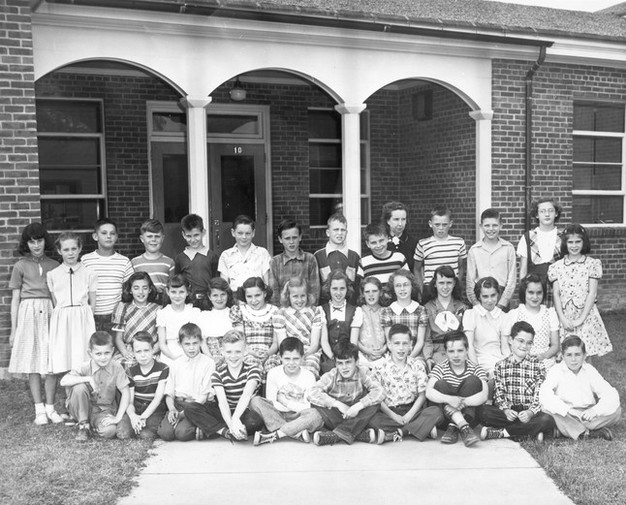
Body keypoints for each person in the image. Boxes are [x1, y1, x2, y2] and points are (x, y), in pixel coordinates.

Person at [8, 223, 60, 425]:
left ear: (45, 241)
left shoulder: (55, 265)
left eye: (39, 241)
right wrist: (14, 330)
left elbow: (58, 296)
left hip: (49, 311)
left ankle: (50, 407)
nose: (36, 245)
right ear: (26, 244)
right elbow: (15, 300)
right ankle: (39, 409)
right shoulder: (20, 266)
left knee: (52, 362)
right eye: (32, 242)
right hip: (28, 312)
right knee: (33, 362)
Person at [478, 321, 555, 441]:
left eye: (529, 343)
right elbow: (499, 393)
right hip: (509, 414)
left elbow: (539, 395)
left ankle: (502, 433)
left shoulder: (538, 366)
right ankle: (528, 432)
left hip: (529, 412)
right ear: (510, 340)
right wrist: (506, 410)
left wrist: (530, 412)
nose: (524, 346)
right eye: (520, 341)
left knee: (547, 420)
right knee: (483, 412)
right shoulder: (500, 365)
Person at [369, 324, 444, 444]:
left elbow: (422, 395)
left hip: (412, 410)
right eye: (397, 343)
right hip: (389, 412)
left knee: (436, 412)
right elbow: (377, 398)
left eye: (405, 343)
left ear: (410, 345)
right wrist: (394, 416)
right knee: (371, 418)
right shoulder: (379, 367)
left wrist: (409, 415)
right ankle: (421, 428)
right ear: (389, 345)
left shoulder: (417, 365)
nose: (401, 348)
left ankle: (399, 432)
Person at [185, 330, 264, 441]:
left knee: (255, 421)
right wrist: (232, 425)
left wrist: (235, 418)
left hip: (243, 412)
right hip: (224, 412)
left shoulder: (253, 370)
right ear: (222, 352)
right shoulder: (218, 374)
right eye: (229, 352)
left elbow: (246, 395)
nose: (233, 356)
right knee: (191, 408)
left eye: (238, 352)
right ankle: (226, 432)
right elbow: (222, 402)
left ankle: (213, 429)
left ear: (245, 351)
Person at [539, 335, 621, 441]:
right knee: (547, 408)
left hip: (586, 414)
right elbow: (545, 394)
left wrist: (594, 411)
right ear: (562, 356)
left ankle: (566, 430)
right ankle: (586, 433)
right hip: (566, 413)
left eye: (577, 355)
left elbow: (610, 394)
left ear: (584, 355)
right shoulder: (556, 370)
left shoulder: (590, 370)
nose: (573, 359)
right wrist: (569, 410)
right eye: (569, 355)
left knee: (616, 411)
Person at [548, 224, 612, 357]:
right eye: (570, 242)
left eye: (578, 241)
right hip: (565, 316)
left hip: (586, 315)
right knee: (566, 354)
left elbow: (592, 293)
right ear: (565, 243)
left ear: (584, 242)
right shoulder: (556, 267)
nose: (574, 245)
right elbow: (556, 294)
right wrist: (562, 318)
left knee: (585, 354)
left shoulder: (591, 264)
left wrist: (581, 319)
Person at [308, 340, 385, 446]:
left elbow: (380, 391)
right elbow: (311, 393)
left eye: (348, 362)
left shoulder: (363, 371)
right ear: (335, 364)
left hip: (357, 413)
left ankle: (336, 435)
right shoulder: (331, 375)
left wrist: (359, 405)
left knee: (375, 404)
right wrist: (337, 404)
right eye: (340, 363)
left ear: (357, 362)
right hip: (337, 415)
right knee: (316, 403)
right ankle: (357, 434)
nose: (344, 367)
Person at [60, 331, 130, 442]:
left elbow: (126, 392)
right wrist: (88, 379)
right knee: (79, 387)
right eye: (98, 354)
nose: (103, 357)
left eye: (107, 353)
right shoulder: (84, 367)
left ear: (112, 351)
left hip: (104, 411)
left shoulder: (117, 368)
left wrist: (118, 417)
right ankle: (83, 426)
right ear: (90, 353)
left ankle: (92, 426)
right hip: (82, 407)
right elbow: (63, 381)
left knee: (109, 431)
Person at [250, 337, 322, 445]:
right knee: (255, 401)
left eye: (296, 359)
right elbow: (271, 401)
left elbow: (308, 407)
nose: (291, 363)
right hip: (277, 414)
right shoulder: (273, 373)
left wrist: (286, 402)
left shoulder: (309, 376)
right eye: (287, 359)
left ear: (302, 358)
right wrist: (285, 407)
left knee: (316, 415)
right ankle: (295, 432)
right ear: (280, 358)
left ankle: (276, 434)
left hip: (299, 416)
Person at [425, 331, 487, 447]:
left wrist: (462, 403)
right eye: (451, 351)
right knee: (440, 384)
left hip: (470, 417)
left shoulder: (476, 368)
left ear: (467, 350)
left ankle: (454, 426)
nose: (456, 355)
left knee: (473, 381)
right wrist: (449, 399)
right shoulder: (440, 367)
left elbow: (484, 395)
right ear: (445, 352)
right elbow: (428, 392)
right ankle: (463, 426)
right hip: (445, 420)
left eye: (460, 350)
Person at [47, 232, 97, 375]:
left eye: (74, 249)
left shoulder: (89, 273)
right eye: (66, 249)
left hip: (82, 316)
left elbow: (92, 300)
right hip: (62, 317)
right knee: (63, 354)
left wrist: (87, 316)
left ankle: (83, 384)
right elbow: (55, 301)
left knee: (83, 354)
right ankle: (68, 384)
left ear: (80, 249)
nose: (70, 253)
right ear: (59, 251)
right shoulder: (52, 274)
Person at [157, 323, 215, 442]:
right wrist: (172, 409)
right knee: (166, 434)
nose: (191, 348)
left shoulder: (208, 363)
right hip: (178, 404)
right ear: (180, 344)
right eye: (187, 344)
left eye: (195, 343)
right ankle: (195, 425)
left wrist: (183, 415)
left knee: (182, 434)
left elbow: (204, 397)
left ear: (201, 342)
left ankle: (202, 427)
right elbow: (169, 392)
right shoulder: (175, 363)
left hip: (196, 407)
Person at [81, 218, 134, 337]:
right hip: (91, 315)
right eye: (104, 233)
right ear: (95, 236)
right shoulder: (85, 261)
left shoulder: (124, 261)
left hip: (115, 317)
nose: (108, 236)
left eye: (112, 233)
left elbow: (129, 290)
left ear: (116, 237)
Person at [117, 332, 169, 441]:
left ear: (153, 349)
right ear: (133, 352)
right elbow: (129, 401)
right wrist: (133, 417)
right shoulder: (130, 372)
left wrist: (143, 417)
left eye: (146, 350)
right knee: (122, 433)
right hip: (137, 407)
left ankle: (143, 428)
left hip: (155, 409)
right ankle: (136, 426)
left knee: (146, 435)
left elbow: (157, 399)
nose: (143, 355)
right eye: (138, 351)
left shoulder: (163, 369)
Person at [505, 274, 559, 369]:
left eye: (539, 293)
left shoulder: (550, 313)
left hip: (544, 360)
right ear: (524, 293)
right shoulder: (514, 314)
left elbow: (555, 345)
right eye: (531, 292)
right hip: (519, 361)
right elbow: (507, 343)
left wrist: (543, 356)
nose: (535, 297)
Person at [466, 208, 516, 310]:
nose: (491, 229)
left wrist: (502, 304)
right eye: (487, 225)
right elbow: (470, 282)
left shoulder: (508, 248)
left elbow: (511, 280)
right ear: (481, 226)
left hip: (501, 297)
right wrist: (477, 305)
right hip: (481, 297)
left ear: (501, 225)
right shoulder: (474, 250)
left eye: (495, 225)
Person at [231, 277, 281, 378]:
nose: (254, 300)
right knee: (252, 365)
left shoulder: (274, 311)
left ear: (265, 294)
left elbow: (276, 342)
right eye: (249, 296)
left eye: (257, 295)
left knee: (272, 367)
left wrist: (268, 353)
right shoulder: (241, 311)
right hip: (248, 352)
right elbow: (240, 340)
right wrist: (253, 353)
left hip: (270, 352)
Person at [273, 277, 323, 378]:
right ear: (288, 296)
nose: (299, 300)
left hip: (308, 352)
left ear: (308, 295)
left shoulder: (314, 312)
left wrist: (303, 356)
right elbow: (283, 344)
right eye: (295, 296)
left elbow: (314, 344)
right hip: (288, 352)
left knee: (309, 367)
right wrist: (293, 358)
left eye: (303, 296)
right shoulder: (280, 313)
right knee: (276, 366)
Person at [413, 204, 467, 299]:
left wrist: (456, 284)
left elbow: (461, 267)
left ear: (450, 223)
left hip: (451, 288)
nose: (441, 228)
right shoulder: (423, 244)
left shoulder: (459, 243)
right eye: (437, 225)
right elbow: (417, 269)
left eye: (444, 224)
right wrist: (421, 290)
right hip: (430, 289)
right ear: (430, 224)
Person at [463, 277, 509, 384]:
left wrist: (510, 364)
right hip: (477, 360)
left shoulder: (504, 316)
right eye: (485, 296)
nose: (490, 300)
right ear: (479, 296)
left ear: (498, 294)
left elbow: (505, 347)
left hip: (498, 360)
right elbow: (469, 345)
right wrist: (477, 369)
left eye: (493, 295)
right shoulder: (470, 314)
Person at [111, 272, 161, 368]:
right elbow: (118, 338)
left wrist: (151, 351)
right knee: (119, 365)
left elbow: (161, 339)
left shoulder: (158, 309)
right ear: (130, 290)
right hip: (129, 350)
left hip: (151, 350)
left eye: (145, 288)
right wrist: (125, 353)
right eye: (136, 288)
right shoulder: (123, 307)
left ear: (150, 290)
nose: (141, 292)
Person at [423, 265, 468, 366]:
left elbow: (465, 335)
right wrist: (428, 357)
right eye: (441, 283)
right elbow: (427, 339)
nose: (445, 287)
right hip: (437, 351)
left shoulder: (462, 307)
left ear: (454, 283)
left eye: (449, 283)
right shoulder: (427, 308)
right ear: (435, 284)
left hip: (456, 350)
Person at [319, 270, 363, 374]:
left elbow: (353, 342)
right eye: (335, 288)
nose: (338, 293)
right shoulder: (321, 310)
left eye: (342, 288)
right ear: (329, 289)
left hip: (348, 355)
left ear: (347, 289)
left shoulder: (355, 311)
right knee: (330, 370)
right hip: (329, 356)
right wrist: (332, 357)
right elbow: (324, 341)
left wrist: (345, 359)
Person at [314, 212, 363, 304]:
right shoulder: (318, 256)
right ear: (328, 233)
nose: (339, 233)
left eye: (343, 230)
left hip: (350, 307)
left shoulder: (354, 256)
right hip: (325, 307)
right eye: (336, 230)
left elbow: (359, 286)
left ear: (346, 232)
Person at [268, 218, 320, 305]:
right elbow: (274, 293)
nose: (291, 242)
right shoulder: (275, 262)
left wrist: (309, 309)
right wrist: (281, 310)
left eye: (294, 237)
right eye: (287, 238)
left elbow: (315, 291)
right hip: (283, 310)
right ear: (280, 239)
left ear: (300, 237)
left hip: (306, 309)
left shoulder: (310, 259)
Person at [174, 213, 219, 310]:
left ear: (203, 232)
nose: (193, 240)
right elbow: (178, 282)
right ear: (183, 235)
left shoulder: (212, 256)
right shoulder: (180, 258)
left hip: (208, 301)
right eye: (189, 236)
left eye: (196, 235)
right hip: (188, 302)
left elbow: (215, 280)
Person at [380, 269, 427, 359]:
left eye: (406, 285)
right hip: (394, 357)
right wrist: (400, 360)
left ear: (412, 286)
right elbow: (389, 341)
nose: (402, 289)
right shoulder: (387, 311)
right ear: (393, 288)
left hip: (415, 356)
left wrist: (410, 358)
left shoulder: (420, 310)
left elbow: (420, 341)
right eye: (398, 285)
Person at [156, 274, 202, 365]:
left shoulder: (194, 312)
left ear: (187, 292)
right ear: (167, 292)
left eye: (181, 292)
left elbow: (200, 339)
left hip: (192, 353)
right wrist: (175, 359)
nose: (177, 296)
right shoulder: (163, 313)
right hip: (170, 356)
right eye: (173, 292)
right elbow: (162, 344)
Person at [218, 215, 271, 292]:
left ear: (253, 233)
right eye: (240, 233)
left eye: (248, 233)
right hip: (234, 296)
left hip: (256, 296)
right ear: (233, 232)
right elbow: (224, 285)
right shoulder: (226, 255)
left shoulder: (262, 253)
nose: (244, 237)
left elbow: (267, 282)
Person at [131, 219, 175, 305]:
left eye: (157, 236)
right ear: (142, 239)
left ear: (162, 238)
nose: (153, 239)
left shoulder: (169, 263)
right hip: (141, 305)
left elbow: (172, 288)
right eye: (149, 236)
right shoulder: (134, 263)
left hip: (162, 305)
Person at [517, 198, 562, 282]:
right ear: (536, 215)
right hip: (535, 286)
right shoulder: (528, 237)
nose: (547, 214)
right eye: (542, 211)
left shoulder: (563, 237)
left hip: (558, 285)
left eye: (551, 211)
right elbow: (523, 270)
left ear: (556, 213)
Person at [197, 277, 235, 364]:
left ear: (228, 295)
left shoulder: (233, 313)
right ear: (209, 297)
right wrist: (211, 359)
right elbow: (202, 342)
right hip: (211, 356)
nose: (219, 298)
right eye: (215, 295)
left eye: (223, 294)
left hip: (232, 355)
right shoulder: (204, 315)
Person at [360, 223, 407, 288]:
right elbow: (362, 288)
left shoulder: (399, 258)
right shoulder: (363, 262)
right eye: (373, 243)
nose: (378, 245)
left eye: (381, 241)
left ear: (387, 238)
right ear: (367, 244)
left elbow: (407, 282)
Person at [356, 276, 387, 369]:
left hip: (383, 356)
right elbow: (354, 339)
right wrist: (367, 351)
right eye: (367, 292)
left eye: (374, 291)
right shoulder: (358, 311)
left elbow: (390, 337)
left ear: (380, 293)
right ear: (362, 294)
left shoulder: (385, 311)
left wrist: (383, 350)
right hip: (363, 357)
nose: (371, 294)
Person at [382, 201, 418, 272]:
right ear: (388, 221)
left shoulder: (413, 243)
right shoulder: (381, 243)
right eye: (396, 219)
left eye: (403, 219)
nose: (400, 223)